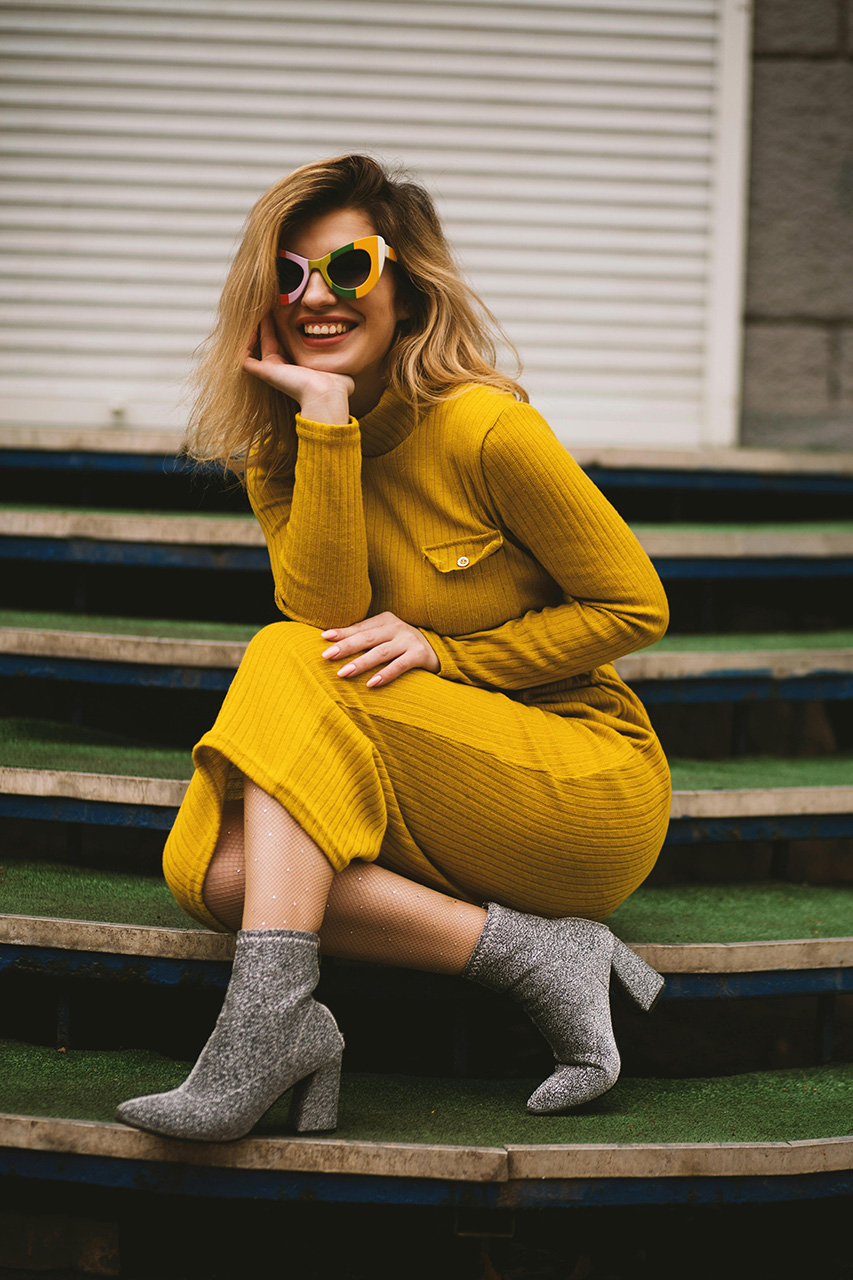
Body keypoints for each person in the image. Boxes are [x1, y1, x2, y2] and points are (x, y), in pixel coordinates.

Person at [117, 154, 671, 1143]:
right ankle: (531, 954)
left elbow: (634, 606)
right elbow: (331, 609)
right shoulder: (282, 451)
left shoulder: (485, 427)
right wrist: (323, 424)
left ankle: (264, 1027)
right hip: (423, 775)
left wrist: (446, 653)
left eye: (348, 268)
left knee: (286, 658)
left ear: (404, 280)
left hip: (579, 784)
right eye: (286, 275)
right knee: (212, 868)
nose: (314, 298)